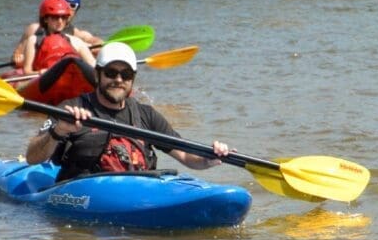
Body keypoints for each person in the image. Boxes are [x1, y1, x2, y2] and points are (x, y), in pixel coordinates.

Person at [25, 42, 229, 183]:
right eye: (111, 73)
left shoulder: (145, 115)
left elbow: (185, 155)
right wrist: (59, 131)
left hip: (135, 191)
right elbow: (32, 157)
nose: (119, 80)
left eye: (126, 74)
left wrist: (208, 158)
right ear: (97, 74)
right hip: (83, 192)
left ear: (133, 78)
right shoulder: (71, 109)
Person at [12, 0, 102, 69]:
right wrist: (19, 58)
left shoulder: (76, 35)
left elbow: (95, 41)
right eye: (55, 16)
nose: (68, 9)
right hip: (38, 70)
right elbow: (17, 55)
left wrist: (92, 47)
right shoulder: (34, 30)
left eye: (73, 5)